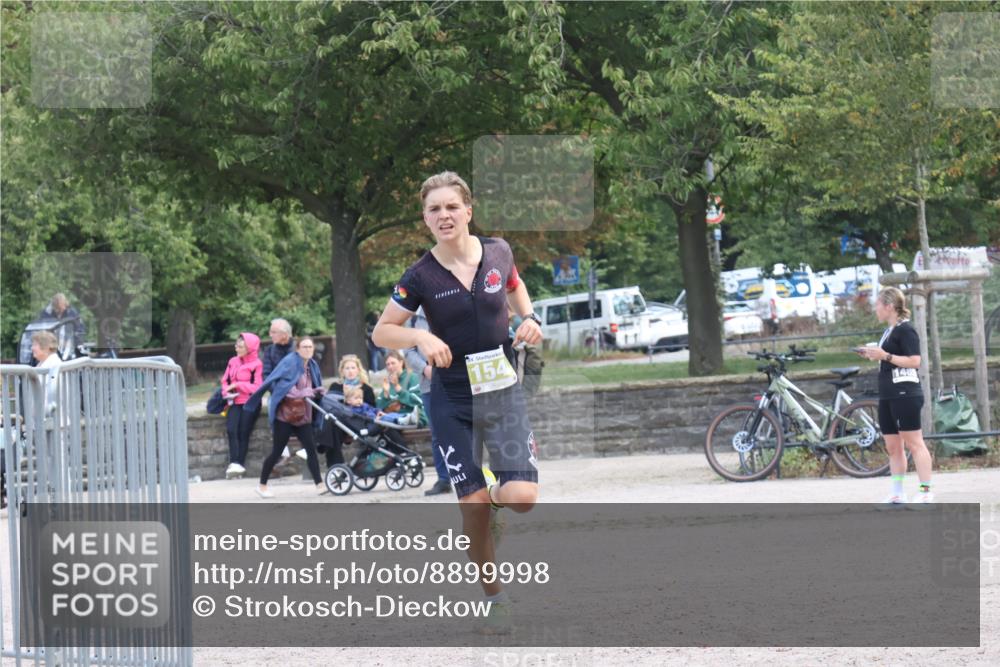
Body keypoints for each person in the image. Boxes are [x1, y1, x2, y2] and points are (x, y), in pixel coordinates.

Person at [372, 170, 543, 634]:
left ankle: (489, 492)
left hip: (502, 391)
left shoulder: (499, 252)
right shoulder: (420, 276)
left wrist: (529, 318)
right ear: (426, 219)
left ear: (468, 211)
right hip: (450, 397)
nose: (444, 215)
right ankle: (496, 599)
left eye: (451, 206)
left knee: (523, 498)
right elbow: (382, 331)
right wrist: (419, 337)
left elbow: (514, 286)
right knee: (472, 511)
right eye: (434, 209)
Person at [855, 287, 933, 506]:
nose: (875, 309)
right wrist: (875, 355)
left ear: (889, 306)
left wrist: (885, 355)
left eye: (878, 305)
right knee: (892, 446)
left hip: (905, 393)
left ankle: (926, 491)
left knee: (914, 443)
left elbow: (914, 361)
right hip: (888, 394)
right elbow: (889, 359)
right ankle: (898, 492)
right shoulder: (889, 331)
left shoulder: (905, 330)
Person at [248, 336, 326, 498]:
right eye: (304, 347)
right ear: (297, 349)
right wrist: (304, 392)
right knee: (277, 452)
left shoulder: (312, 365)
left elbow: (313, 386)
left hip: (303, 415)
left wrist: (318, 391)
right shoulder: (290, 362)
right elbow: (281, 387)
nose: (308, 350)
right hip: (285, 416)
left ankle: (319, 484)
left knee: (311, 449)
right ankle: (262, 485)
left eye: (310, 347)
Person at [405, 307, 451, 496]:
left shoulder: (449, 308)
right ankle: (444, 479)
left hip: (455, 381)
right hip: (428, 384)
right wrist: (424, 369)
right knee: (437, 433)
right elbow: (408, 352)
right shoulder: (413, 320)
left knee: (465, 428)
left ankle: (469, 474)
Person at [314, 354, 376, 468]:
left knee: (331, 425)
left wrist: (351, 400)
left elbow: (371, 409)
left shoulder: (366, 388)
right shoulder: (336, 386)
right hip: (339, 422)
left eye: (353, 368)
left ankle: (323, 449)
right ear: (342, 371)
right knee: (332, 425)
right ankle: (337, 465)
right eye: (347, 368)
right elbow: (329, 405)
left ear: (358, 370)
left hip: (357, 421)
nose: (350, 371)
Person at [221, 333, 263, 479]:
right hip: (234, 401)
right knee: (231, 430)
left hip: (250, 403)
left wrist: (238, 385)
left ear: (249, 348)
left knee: (243, 432)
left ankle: (238, 465)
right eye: (236, 345)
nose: (236, 348)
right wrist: (225, 391)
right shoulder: (233, 361)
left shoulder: (257, 364)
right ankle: (234, 464)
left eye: (240, 346)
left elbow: (258, 387)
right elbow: (225, 380)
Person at [261, 318, 296, 467]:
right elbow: (267, 375)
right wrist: (278, 392)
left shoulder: (298, 349)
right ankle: (283, 451)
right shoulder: (269, 351)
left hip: (297, 391)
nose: (270, 335)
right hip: (277, 393)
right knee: (272, 406)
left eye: (273, 332)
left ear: (284, 334)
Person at [376, 350, 425, 427]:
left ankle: (402, 419)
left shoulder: (412, 377)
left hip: (413, 416)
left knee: (386, 422)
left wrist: (398, 388)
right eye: (387, 364)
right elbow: (379, 407)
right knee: (380, 420)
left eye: (393, 363)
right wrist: (386, 394)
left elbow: (418, 401)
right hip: (393, 418)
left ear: (401, 363)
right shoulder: (388, 382)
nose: (390, 367)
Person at [37, 293, 85, 360]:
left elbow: (80, 329)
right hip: (51, 346)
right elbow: (41, 330)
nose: (62, 310)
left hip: (68, 346)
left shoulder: (72, 312)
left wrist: (77, 343)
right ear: (54, 307)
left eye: (63, 307)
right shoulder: (46, 314)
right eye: (59, 309)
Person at [343, 386, 413, 425]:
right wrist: (374, 418)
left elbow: (373, 409)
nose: (359, 400)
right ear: (349, 401)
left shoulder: (364, 405)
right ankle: (400, 420)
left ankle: (407, 416)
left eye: (360, 398)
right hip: (371, 422)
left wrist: (378, 411)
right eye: (356, 398)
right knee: (385, 418)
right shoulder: (352, 410)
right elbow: (362, 417)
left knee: (389, 414)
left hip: (376, 418)